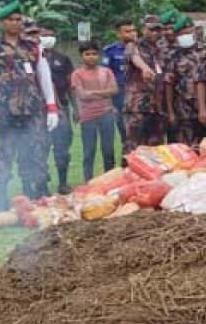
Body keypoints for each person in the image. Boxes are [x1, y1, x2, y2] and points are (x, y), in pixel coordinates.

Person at [0, 1, 60, 210]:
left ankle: (35, 192)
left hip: (31, 109)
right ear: (1, 23)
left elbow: (44, 75)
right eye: (11, 20)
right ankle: (1, 197)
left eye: (18, 19)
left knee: (34, 151)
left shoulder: (32, 45)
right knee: (4, 154)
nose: (16, 23)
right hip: (5, 110)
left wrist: (51, 107)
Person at [70, 42, 118, 180]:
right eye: (87, 54)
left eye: (94, 54)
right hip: (88, 117)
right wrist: (104, 93)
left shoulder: (106, 71)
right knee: (89, 152)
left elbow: (114, 90)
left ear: (99, 55)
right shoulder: (77, 74)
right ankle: (88, 182)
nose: (91, 57)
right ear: (81, 56)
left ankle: (110, 180)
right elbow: (82, 95)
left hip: (106, 114)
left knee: (108, 150)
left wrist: (92, 93)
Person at [121, 15, 166, 154]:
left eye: (158, 30)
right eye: (151, 30)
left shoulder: (160, 50)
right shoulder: (134, 45)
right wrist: (144, 68)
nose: (155, 33)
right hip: (137, 106)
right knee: (133, 147)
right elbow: (134, 57)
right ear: (143, 29)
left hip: (156, 107)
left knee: (155, 148)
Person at [38, 24, 75, 193]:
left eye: (51, 34)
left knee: (62, 147)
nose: (48, 38)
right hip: (40, 111)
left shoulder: (63, 59)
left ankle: (63, 183)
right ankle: (41, 185)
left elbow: (70, 85)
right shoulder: (32, 58)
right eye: (44, 34)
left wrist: (76, 108)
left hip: (62, 108)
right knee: (41, 148)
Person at [165, 14, 206, 144]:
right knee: (187, 148)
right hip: (184, 111)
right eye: (181, 34)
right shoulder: (173, 56)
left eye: (188, 32)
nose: (185, 36)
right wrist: (171, 112)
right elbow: (169, 84)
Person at [100, 19, 136, 142]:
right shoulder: (110, 51)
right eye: (127, 31)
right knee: (124, 131)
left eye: (133, 30)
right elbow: (105, 75)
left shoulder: (142, 49)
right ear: (118, 33)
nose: (131, 34)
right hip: (120, 94)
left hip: (139, 95)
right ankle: (125, 158)